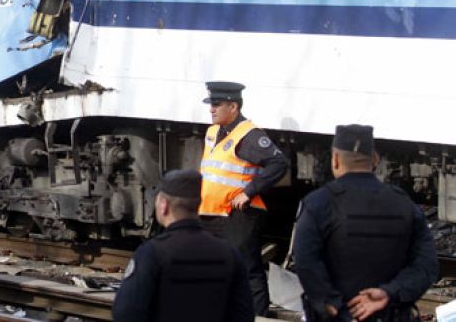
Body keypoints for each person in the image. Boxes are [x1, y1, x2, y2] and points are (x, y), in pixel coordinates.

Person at [293, 125, 438, 321]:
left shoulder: (318, 204)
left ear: (335, 160)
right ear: (375, 159)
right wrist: (390, 292)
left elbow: (305, 261)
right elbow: (426, 265)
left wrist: (332, 304)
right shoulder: (404, 204)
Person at [112, 170, 254, 322]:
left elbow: (125, 313)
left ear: (163, 206)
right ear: (198, 205)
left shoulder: (152, 253)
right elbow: (244, 316)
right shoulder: (230, 254)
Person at [198, 81, 288, 316]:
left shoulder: (248, 135)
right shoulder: (212, 132)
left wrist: (249, 192)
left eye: (216, 104)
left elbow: (278, 163)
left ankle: (258, 317)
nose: (211, 109)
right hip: (211, 212)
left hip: (238, 214)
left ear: (233, 106)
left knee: (247, 270)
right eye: (211, 104)